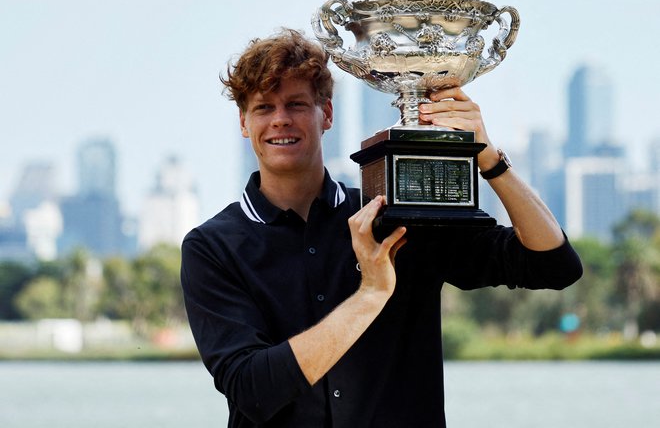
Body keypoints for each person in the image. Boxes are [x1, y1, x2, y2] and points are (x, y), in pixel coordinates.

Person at [180, 28, 582, 427]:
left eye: (297, 104)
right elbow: (253, 390)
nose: (281, 120)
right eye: (264, 108)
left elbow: (554, 265)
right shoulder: (213, 247)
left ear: (327, 115)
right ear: (244, 122)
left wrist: (489, 157)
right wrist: (371, 293)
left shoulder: (400, 216)